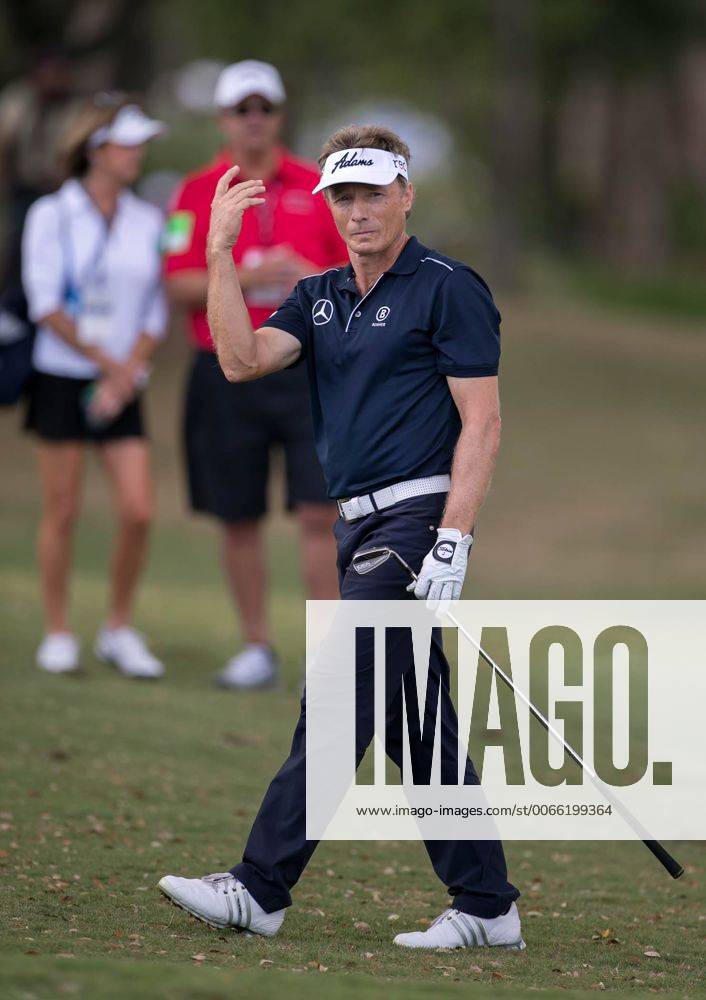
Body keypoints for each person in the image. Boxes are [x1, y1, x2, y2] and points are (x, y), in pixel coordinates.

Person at [158, 124, 525, 950]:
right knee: (413, 720)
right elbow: (243, 360)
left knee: (337, 698)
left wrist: (453, 538)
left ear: (406, 195)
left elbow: (484, 422)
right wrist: (219, 253)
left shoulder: (446, 288)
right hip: (357, 523)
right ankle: (487, 905)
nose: (358, 212)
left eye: (372, 194)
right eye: (343, 198)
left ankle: (260, 887)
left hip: (416, 518)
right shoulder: (318, 295)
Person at [163, 60, 345, 690]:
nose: (254, 121)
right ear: (224, 118)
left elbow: (358, 272)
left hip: (305, 369)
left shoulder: (319, 184)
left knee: (322, 512)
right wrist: (243, 278)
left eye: (264, 108)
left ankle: (328, 657)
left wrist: (307, 277)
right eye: (242, 110)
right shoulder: (195, 191)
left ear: (280, 114)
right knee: (237, 513)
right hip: (222, 370)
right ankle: (256, 648)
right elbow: (178, 282)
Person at [21, 97, 168, 678]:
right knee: (62, 509)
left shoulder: (148, 219)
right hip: (63, 375)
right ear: (96, 150)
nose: (138, 154)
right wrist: (107, 365)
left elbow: (155, 305)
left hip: (124, 381)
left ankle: (117, 628)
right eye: (128, 144)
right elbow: (45, 303)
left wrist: (126, 370)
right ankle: (58, 631)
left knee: (137, 510)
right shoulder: (52, 214)